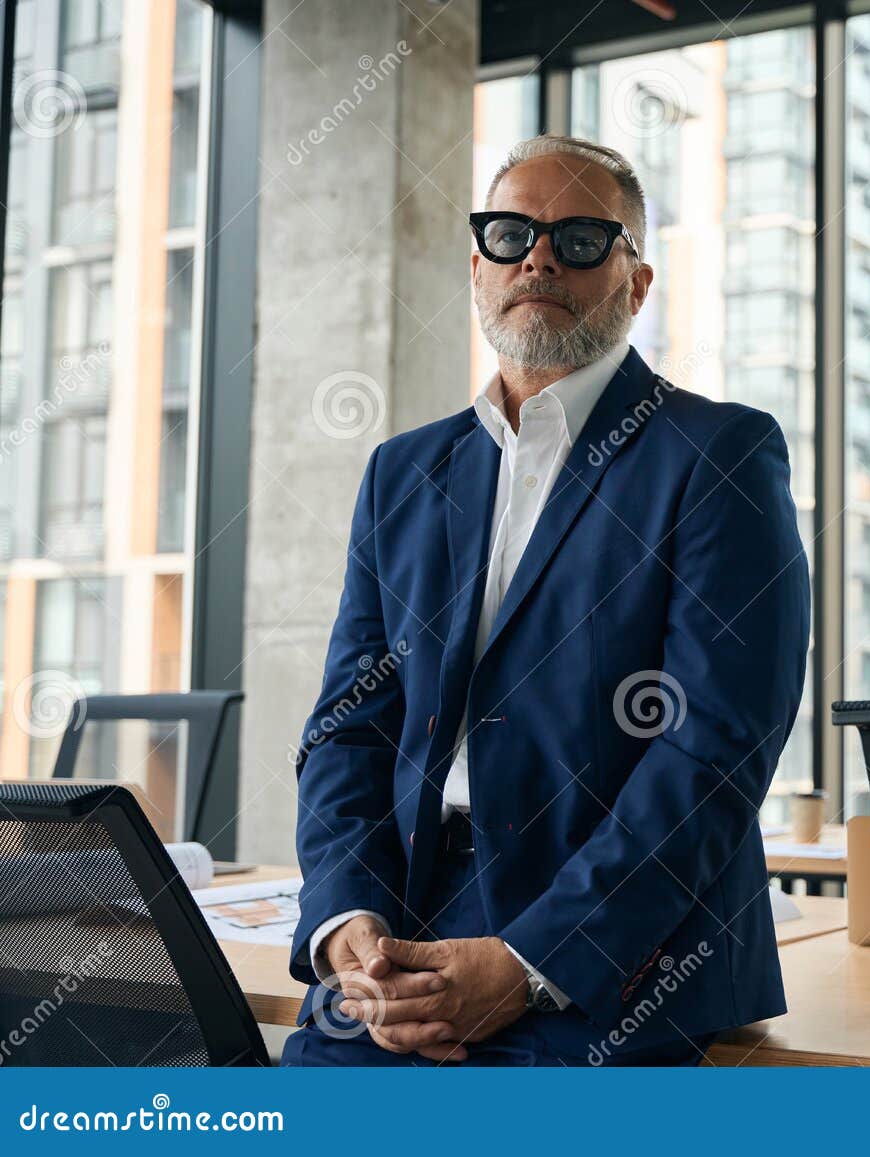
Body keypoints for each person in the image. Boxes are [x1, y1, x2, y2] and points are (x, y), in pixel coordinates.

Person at [280, 135, 810, 1066]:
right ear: (477, 268)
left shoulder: (718, 454)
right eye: (511, 233)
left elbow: (713, 751)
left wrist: (531, 960)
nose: (538, 258)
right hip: (406, 926)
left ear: (636, 286)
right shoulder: (404, 471)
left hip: (623, 954)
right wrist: (345, 921)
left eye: (579, 239)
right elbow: (349, 728)